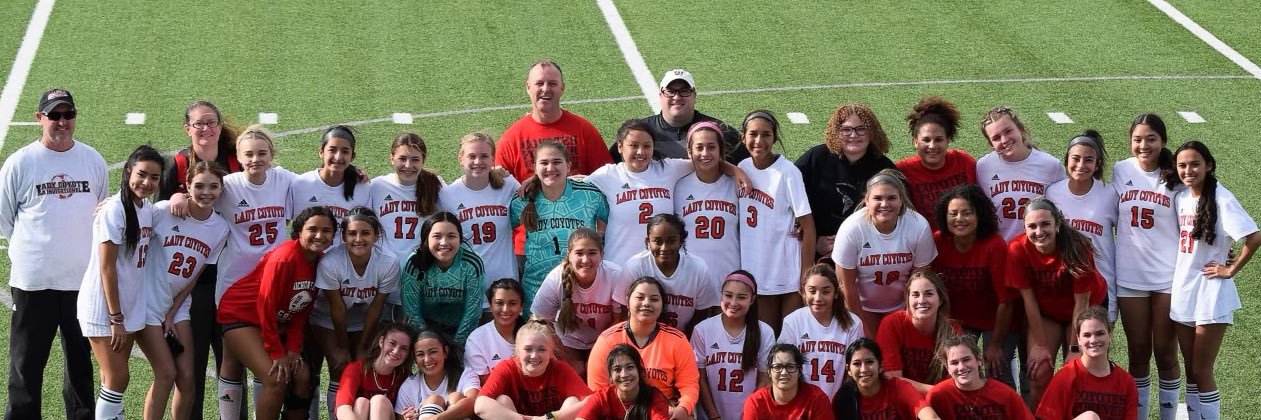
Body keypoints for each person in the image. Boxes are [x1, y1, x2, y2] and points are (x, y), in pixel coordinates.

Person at [1, 88, 107, 420]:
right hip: (34, 282)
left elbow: (100, 214)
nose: (62, 122)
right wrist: (31, 252)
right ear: (39, 118)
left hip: (82, 280)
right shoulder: (20, 162)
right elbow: (5, 218)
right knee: (26, 364)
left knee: (80, 362)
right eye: (54, 115)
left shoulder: (92, 159)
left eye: (68, 115)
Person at [156, 100, 243, 420]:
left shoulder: (238, 160)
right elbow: (153, 217)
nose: (205, 129)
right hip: (191, 282)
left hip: (232, 276)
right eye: (198, 124)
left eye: (211, 122)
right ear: (187, 129)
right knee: (188, 369)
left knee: (230, 363)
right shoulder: (177, 164)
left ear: (220, 127)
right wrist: (176, 196)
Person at [217, 206, 337, 419]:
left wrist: (292, 348)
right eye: (313, 229)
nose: (319, 235)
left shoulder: (319, 262)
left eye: (326, 230)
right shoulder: (285, 258)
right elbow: (266, 305)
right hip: (241, 316)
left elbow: (301, 310)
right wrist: (277, 352)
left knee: (302, 376)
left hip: (273, 321)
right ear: (299, 231)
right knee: (276, 379)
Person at [1171, 141, 1260, 420]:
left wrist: (1230, 269)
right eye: (1182, 165)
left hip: (1210, 291)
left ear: (1208, 165)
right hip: (1184, 288)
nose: (1188, 170)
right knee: (1190, 367)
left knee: (1202, 369)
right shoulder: (1181, 197)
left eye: (1195, 164)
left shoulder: (1222, 197)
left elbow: (1254, 236)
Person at [212, 125, 296, 417]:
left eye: (262, 153)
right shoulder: (227, 185)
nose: (255, 159)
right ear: (237, 156)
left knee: (263, 358)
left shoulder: (283, 179)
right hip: (235, 284)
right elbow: (194, 197)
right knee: (231, 358)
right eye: (248, 154)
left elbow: (318, 185)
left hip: (274, 284)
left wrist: (354, 174)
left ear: (272, 155)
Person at [75, 145, 164, 420]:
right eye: (141, 174)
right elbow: (107, 267)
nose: (147, 182)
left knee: (111, 379)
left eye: (155, 177)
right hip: (105, 308)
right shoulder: (115, 209)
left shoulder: (146, 208)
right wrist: (116, 318)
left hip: (127, 304)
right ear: (127, 173)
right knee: (117, 378)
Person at [497, 60, 612, 265]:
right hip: (530, 249)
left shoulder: (584, 130)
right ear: (528, 87)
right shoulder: (512, 137)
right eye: (539, 83)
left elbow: (607, 181)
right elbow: (499, 191)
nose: (545, 89)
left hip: (578, 248)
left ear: (562, 88)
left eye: (552, 83)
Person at [585, 119, 747, 266]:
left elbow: (703, 161)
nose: (641, 152)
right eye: (633, 145)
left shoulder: (667, 169)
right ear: (620, 147)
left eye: (646, 146)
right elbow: (575, 186)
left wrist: (736, 171)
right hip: (619, 264)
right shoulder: (607, 175)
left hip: (659, 266)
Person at [145, 161, 231, 420]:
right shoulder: (163, 211)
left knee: (188, 376)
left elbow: (194, 276)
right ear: (187, 187)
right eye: (199, 186)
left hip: (178, 304)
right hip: (147, 301)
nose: (207, 192)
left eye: (213, 186)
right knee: (166, 374)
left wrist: (172, 312)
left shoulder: (220, 228)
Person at [1112, 114, 1182, 419]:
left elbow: (1196, 216)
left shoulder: (1177, 176)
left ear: (1163, 141)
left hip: (1168, 277)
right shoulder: (1120, 169)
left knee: (1166, 354)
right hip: (1130, 277)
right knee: (1138, 353)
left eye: (1151, 139)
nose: (1144, 145)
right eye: (1138, 139)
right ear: (1130, 141)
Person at [1007, 197, 1105, 407]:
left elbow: (1082, 304)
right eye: (1032, 226)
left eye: (1045, 224)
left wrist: (1075, 349)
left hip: (1084, 312)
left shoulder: (1077, 246)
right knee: (1039, 372)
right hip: (1047, 312)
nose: (1039, 231)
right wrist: (1040, 346)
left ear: (1058, 224)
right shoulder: (1017, 248)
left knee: (1081, 373)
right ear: (1024, 227)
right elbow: (1029, 300)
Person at [930, 184, 1020, 389]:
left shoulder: (994, 245)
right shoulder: (938, 241)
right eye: (953, 213)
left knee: (997, 370)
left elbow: (1006, 301)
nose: (959, 219)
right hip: (960, 319)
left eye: (966, 213)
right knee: (955, 368)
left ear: (979, 215)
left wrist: (996, 345)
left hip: (997, 320)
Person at [312, 207, 401, 413]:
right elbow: (337, 310)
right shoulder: (331, 261)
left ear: (376, 235)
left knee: (363, 364)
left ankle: (362, 413)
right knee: (340, 363)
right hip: (326, 319)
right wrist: (342, 347)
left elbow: (376, 308)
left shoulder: (388, 262)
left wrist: (362, 346)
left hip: (363, 320)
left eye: (366, 233)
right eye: (352, 233)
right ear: (343, 236)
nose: (358, 239)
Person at [832, 169, 936, 337]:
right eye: (878, 198)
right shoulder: (852, 228)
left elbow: (920, 280)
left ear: (901, 200)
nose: (884, 204)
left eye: (892, 198)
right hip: (862, 306)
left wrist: (910, 314)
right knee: (868, 352)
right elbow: (846, 285)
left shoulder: (918, 225)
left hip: (902, 305)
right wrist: (862, 327)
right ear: (866, 200)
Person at [510, 140, 609, 313]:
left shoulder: (590, 195)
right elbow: (502, 230)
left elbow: (607, 221)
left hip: (581, 283)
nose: (550, 168)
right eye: (544, 163)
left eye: (557, 162)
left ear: (568, 166)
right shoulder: (522, 200)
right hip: (536, 285)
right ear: (534, 167)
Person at [738, 110, 815, 333]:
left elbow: (808, 226)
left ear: (775, 137)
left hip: (787, 271)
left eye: (766, 135)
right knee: (766, 337)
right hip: (756, 271)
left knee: (791, 339)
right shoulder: (741, 168)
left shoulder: (788, 172)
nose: (759, 141)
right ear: (743, 137)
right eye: (753, 134)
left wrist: (806, 273)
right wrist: (731, 168)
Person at [588, 276, 701, 419]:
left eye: (654, 299)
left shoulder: (677, 340)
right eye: (640, 298)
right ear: (628, 301)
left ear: (662, 305)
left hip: (664, 410)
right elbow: (597, 390)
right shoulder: (607, 340)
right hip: (619, 411)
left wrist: (683, 408)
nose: (646, 303)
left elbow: (689, 385)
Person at [796, 103, 895, 260]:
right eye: (846, 129)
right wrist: (812, 241)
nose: (854, 135)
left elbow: (897, 216)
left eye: (861, 129)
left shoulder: (884, 168)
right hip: (816, 253)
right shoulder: (815, 159)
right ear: (836, 132)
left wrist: (854, 244)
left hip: (866, 255)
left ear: (872, 132)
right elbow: (788, 203)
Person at [439, 132, 520, 316]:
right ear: (461, 158)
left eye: (484, 156)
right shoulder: (447, 195)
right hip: (466, 289)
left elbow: (533, 198)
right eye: (471, 156)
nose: (478, 162)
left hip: (505, 288)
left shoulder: (508, 185)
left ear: (493, 158)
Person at [531, 228, 626, 376]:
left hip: (605, 340)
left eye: (592, 253)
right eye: (579, 253)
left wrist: (598, 351)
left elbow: (620, 321)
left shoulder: (615, 275)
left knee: (599, 372)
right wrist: (564, 356)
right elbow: (539, 321)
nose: (586, 260)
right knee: (576, 373)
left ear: (602, 254)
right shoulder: (556, 278)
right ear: (569, 255)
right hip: (568, 343)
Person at [1046, 130, 1118, 321]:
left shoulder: (1110, 193)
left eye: (1088, 160)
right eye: (1075, 158)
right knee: (1070, 346)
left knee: (1096, 347)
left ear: (1097, 164)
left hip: (1101, 283)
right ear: (1066, 160)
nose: (1080, 165)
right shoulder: (1052, 193)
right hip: (1062, 283)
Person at [372, 132, 443, 320]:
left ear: (423, 160)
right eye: (402, 158)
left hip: (421, 280)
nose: (408, 166)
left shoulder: (436, 185)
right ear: (391, 158)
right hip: (384, 282)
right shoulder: (376, 186)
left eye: (415, 159)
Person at [614, 68, 746, 163]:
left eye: (684, 91)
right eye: (670, 91)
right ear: (661, 95)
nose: (677, 97)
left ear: (694, 95)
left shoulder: (722, 131)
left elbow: (748, 166)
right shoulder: (640, 132)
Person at [690, 270, 775, 420]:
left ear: (752, 299)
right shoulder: (702, 329)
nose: (733, 303)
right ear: (721, 295)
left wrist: (749, 415)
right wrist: (714, 416)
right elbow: (699, 379)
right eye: (728, 295)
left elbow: (764, 380)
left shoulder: (765, 332)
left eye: (741, 297)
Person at [975, 106, 1066, 241]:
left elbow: (1062, 214)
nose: (1004, 140)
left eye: (1008, 131)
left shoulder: (1051, 166)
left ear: (1020, 129)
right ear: (991, 143)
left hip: (1038, 250)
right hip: (1002, 252)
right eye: (996, 138)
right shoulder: (983, 167)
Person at [619, 214, 720, 334]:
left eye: (671, 241)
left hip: (684, 337)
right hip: (642, 336)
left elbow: (702, 312)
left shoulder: (698, 268)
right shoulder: (635, 266)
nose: (664, 248)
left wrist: (683, 340)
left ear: (681, 241)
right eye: (657, 241)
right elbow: (624, 311)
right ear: (648, 242)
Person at [474, 320, 592, 419]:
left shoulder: (560, 368)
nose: (534, 355)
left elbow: (592, 401)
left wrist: (552, 417)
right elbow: (480, 405)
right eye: (528, 349)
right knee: (502, 400)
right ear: (517, 352)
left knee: (573, 401)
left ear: (551, 353)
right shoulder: (506, 368)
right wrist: (521, 419)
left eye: (541, 349)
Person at [779, 264, 865, 399]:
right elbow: (784, 367)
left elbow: (855, 371)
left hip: (838, 401)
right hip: (802, 401)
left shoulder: (853, 323)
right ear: (803, 292)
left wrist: (842, 401)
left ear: (836, 293)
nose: (818, 298)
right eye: (812, 291)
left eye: (825, 291)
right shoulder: (792, 321)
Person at [1035, 306, 1138, 420]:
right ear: (1078, 339)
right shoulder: (1066, 376)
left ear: (1110, 334)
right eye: (1087, 335)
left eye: (1100, 334)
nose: (1093, 340)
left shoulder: (1126, 382)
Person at [401, 212, 486, 345]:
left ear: (460, 238)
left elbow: (472, 313)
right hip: (423, 333)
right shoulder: (415, 263)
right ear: (426, 238)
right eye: (437, 236)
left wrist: (456, 347)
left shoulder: (472, 264)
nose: (444, 243)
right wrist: (428, 343)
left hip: (461, 332)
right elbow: (411, 311)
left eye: (451, 236)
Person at [895, 96, 976, 231]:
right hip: (924, 243)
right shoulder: (902, 171)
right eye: (926, 140)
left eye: (938, 140)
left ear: (947, 140)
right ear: (915, 141)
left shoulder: (964, 161)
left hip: (963, 241)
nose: (932, 146)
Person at [875, 270, 962, 393]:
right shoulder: (892, 323)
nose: (922, 300)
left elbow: (958, 378)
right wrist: (935, 391)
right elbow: (892, 379)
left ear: (940, 300)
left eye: (929, 294)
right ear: (907, 299)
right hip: (902, 397)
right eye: (915, 295)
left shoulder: (952, 329)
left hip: (942, 398)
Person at [675, 122, 742, 279]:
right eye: (699, 147)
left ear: (721, 150)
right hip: (689, 276)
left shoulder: (736, 184)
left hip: (730, 274)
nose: (705, 153)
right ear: (689, 151)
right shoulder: (678, 186)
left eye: (711, 147)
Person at [924, 335, 1033, 420]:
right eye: (954, 363)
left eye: (966, 359)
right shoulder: (938, 395)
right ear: (947, 367)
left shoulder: (1005, 395)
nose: (961, 367)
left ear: (979, 360)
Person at [831, 338, 937, 420]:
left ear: (881, 366)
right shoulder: (843, 399)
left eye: (869, 362)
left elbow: (930, 417)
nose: (863, 369)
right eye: (857, 364)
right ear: (848, 369)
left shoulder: (898, 388)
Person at [333, 324, 417, 420]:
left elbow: (405, 415)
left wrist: (410, 416)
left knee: (379, 401)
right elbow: (342, 408)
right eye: (392, 343)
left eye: (404, 348)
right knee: (361, 403)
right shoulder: (356, 369)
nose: (396, 351)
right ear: (381, 341)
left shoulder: (406, 377)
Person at [289, 125, 371, 221]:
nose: (338, 157)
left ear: (352, 156)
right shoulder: (300, 184)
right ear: (321, 152)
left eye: (345, 152)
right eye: (332, 150)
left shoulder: (362, 188)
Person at [577, 344, 672, 420]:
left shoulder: (654, 398)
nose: (624, 374)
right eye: (617, 369)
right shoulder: (601, 398)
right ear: (610, 377)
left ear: (640, 371)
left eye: (630, 367)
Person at [741, 344, 835, 420]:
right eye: (778, 367)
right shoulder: (756, 403)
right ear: (769, 371)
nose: (784, 373)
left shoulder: (817, 399)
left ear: (799, 370)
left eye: (790, 367)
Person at [465, 279, 527, 384]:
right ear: (490, 305)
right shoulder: (476, 339)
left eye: (512, 303)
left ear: (521, 306)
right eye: (499, 303)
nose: (505, 309)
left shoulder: (534, 334)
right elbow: (487, 384)